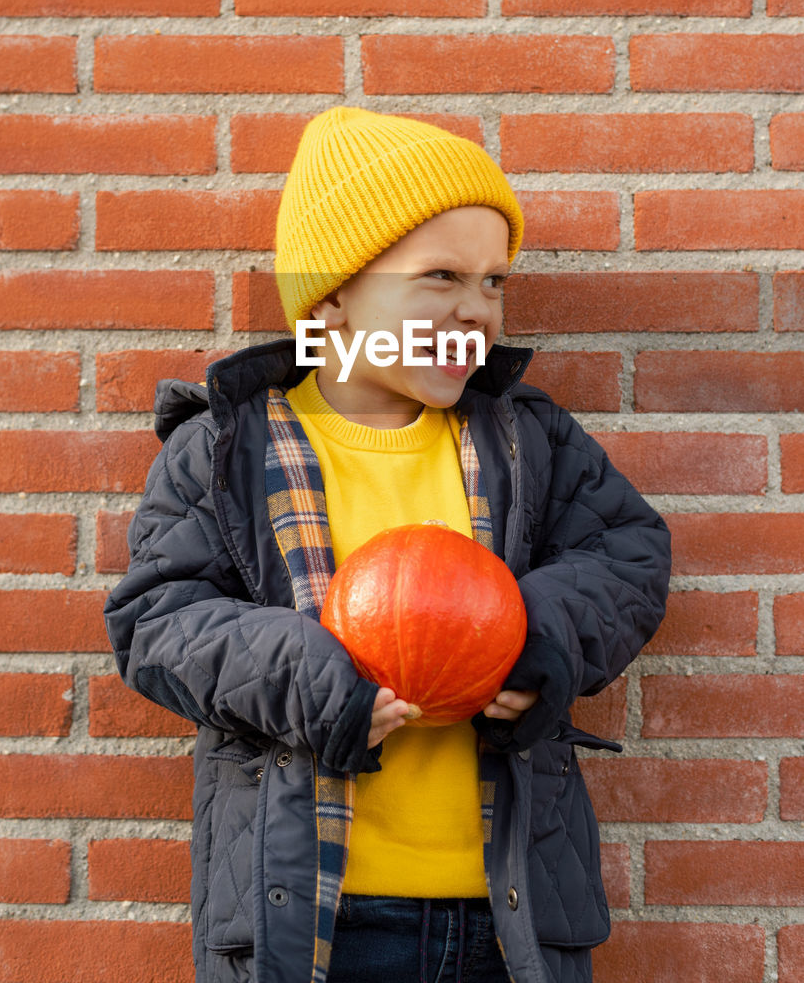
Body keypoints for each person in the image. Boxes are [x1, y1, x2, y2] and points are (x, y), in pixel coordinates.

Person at [104, 106, 670, 983]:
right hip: (315, 911)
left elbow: (626, 556)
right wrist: (311, 680)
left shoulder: (527, 439)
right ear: (332, 295)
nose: (476, 309)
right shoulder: (225, 451)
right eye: (441, 274)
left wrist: (536, 640)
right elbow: (157, 621)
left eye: (494, 283)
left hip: (509, 910)